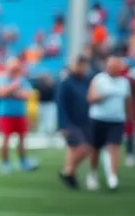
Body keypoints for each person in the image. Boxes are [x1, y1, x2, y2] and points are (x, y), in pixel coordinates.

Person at [86, 56, 132, 191]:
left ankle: (112, 176)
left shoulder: (124, 82)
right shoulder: (99, 79)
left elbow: (127, 100)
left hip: (116, 119)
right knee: (96, 147)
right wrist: (103, 95)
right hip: (99, 118)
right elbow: (90, 98)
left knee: (114, 146)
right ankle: (92, 173)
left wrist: (130, 118)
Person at [55, 55, 95, 189]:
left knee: (74, 149)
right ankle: (67, 170)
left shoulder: (86, 81)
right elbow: (61, 104)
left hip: (84, 119)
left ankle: (70, 174)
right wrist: (62, 124)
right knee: (84, 147)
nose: (81, 68)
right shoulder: (66, 82)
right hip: (70, 121)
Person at [0, 57, 37, 173]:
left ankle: (23, 161)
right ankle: (5, 163)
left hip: (19, 114)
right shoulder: (2, 78)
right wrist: (14, 88)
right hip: (5, 114)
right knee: (5, 139)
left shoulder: (21, 79)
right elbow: (0, 93)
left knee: (22, 138)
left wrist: (12, 92)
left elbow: (28, 95)